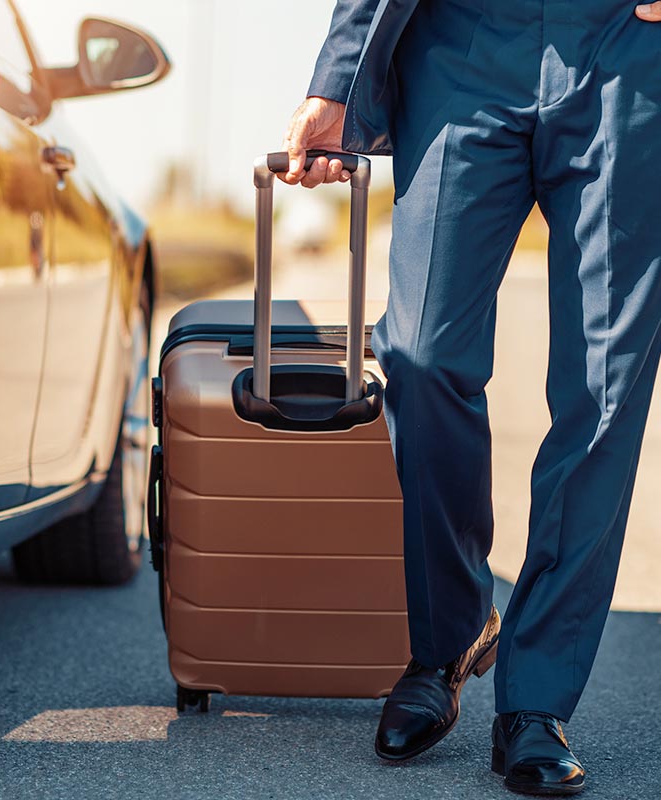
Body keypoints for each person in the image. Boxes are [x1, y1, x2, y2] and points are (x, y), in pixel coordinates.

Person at [281, 1, 661, 795]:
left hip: (627, 46)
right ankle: (450, 634)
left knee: (606, 384)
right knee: (420, 354)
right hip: (462, 41)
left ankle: (536, 701)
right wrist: (337, 77)